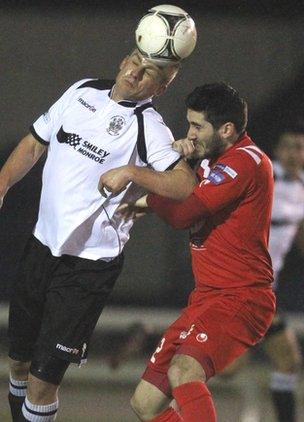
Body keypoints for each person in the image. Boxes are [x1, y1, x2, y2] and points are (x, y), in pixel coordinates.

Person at [0, 46, 197, 421]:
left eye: (151, 72)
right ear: (123, 60)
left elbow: (185, 184)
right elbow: (34, 142)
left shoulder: (149, 127)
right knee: (20, 364)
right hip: (42, 247)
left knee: (44, 380)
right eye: (135, 63)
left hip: (88, 268)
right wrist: (2, 184)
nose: (137, 74)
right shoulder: (82, 92)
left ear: (164, 84)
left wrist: (133, 173)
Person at [106, 82, 276, 421]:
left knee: (184, 372)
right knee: (145, 403)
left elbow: (184, 213)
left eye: (197, 126)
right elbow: (184, 193)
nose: (190, 133)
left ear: (226, 129)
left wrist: (144, 187)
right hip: (206, 299)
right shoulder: (209, 161)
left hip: (241, 298)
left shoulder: (245, 161)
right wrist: (179, 161)